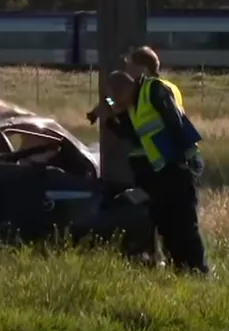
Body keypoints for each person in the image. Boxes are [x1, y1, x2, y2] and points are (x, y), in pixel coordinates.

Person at [87, 66, 209, 275]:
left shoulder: (153, 90)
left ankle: (199, 271)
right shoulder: (134, 106)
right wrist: (105, 112)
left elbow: (175, 123)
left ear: (125, 89)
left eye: (117, 100)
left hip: (181, 165)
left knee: (185, 224)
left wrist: (181, 163)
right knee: (167, 225)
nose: (119, 106)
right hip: (164, 172)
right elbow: (131, 135)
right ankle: (181, 270)